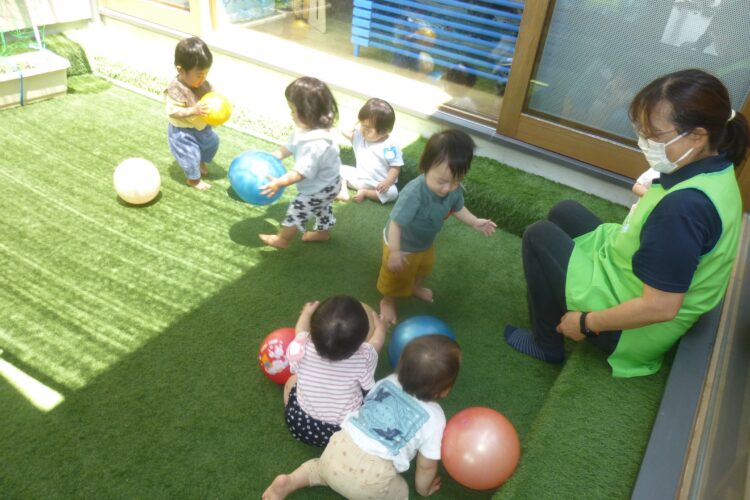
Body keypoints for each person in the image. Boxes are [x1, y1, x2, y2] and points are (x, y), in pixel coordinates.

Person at [504, 69, 748, 378]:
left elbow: (661, 307)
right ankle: (562, 302)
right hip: (629, 275)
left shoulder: (684, 209)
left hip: (634, 329)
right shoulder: (715, 164)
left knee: (538, 235)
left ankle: (546, 344)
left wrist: (585, 323)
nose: (644, 142)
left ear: (697, 136)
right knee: (564, 211)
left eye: (654, 135)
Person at [263, 334, 461, 499]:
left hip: (339, 447)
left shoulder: (388, 381)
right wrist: (423, 490)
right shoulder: (435, 417)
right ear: (445, 389)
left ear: (401, 367)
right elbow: (426, 467)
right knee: (401, 491)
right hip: (373, 478)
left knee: (318, 469)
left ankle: (290, 481)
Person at [378, 129, 497, 325]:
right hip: (400, 243)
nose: (448, 188)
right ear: (425, 167)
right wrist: (395, 252)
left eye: (456, 181)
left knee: (424, 267)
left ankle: (415, 286)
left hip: (424, 244)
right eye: (442, 181)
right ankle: (388, 300)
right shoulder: (413, 194)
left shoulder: (453, 189)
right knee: (395, 276)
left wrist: (474, 221)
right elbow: (396, 225)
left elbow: (458, 208)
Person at [282, 296, 386, 447]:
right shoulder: (363, 357)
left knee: (291, 380)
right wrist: (381, 328)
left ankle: (292, 407)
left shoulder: (302, 346)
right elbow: (377, 342)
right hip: (340, 433)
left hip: (299, 424)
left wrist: (306, 313)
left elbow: (300, 330)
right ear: (362, 342)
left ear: (311, 330)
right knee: (367, 394)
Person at [259, 77, 342, 248]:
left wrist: (278, 183)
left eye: (293, 110)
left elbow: (300, 173)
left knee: (298, 209)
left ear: (308, 112)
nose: (291, 114)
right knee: (322, 208)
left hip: (320, 188)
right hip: (330, 183)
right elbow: (291, 146)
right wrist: (275, 156)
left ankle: (282, 239)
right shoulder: (307, 128)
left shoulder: (316, 143)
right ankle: (323, 233)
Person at [164, 37, 218, 191]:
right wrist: (193, 110)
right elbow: (172, 111)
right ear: (181, 71)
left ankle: (200, 161)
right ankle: (193, 180)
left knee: (212, 143)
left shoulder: (203, 84)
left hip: (202, 127)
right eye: (199, 75)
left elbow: (213, 97)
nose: (203, 79)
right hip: (182, 132)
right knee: (189, 154)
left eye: (205, 74)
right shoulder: (175, 89)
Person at [338, 98, 404, 204]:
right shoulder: (359, 137)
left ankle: (366, 193)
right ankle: (343, 191)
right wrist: (360, 119)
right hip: (358, 178)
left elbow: (395, 167)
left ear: (384, 131)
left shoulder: (389, 146)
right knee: (338, 168)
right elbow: (343, 130)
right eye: (362, 125)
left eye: (368, 129)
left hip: (377, 184)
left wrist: (387, 182)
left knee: (393, 193)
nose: (363, 130)